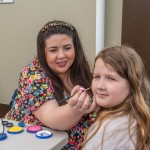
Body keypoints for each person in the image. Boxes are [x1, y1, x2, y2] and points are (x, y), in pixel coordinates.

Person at [5, 20, 97, 149]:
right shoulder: (33, 74)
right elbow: (53, 119)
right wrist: (76, 109)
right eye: (53, 50)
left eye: (67, 48)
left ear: (75, 48)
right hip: (37, 142)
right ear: (43, 53)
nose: (61, 56)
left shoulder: (85, 69)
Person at [82, 46, 150, 150]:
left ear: (132, 84)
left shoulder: (114, 129)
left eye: (111, 78)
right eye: (96, 76)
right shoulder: (131, 116)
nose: (100, 86)